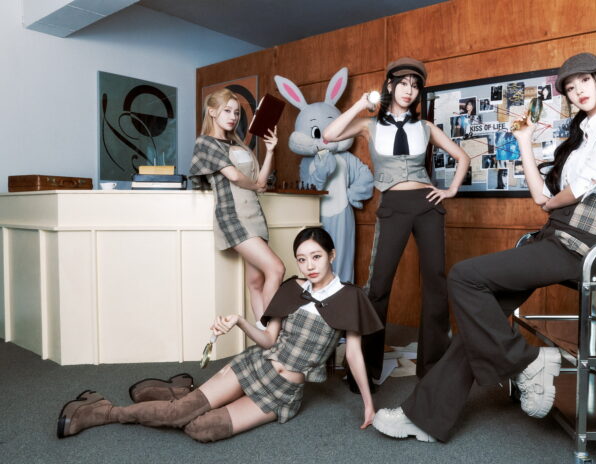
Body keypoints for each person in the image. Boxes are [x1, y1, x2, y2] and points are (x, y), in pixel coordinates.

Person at [371, 52, 596, 442]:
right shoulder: (582, 133)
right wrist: (525, 142)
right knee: (481, 327)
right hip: (554, 233)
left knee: (463, 277)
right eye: (569, 87)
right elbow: (542, 197)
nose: (577, 91)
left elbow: (584, 185)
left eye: (583, 81)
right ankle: (425, 417)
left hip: (579, 242)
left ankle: (528, 363)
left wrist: (553, 202)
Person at [56, 227, 383, 442]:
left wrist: (368, 404)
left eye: (316, 257)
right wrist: (240, 321)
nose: (309, 266)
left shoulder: (350, 297)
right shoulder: (291, 288)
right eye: (302, 259)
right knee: (180, 413)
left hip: (282, 392)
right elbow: (269, 340)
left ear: (332, 255)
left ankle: (179, 391)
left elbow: (354, 355)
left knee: (201, 428)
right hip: (257, 365)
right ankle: (102, 411)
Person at [324, 57, 471, 386]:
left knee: (435, 283)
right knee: (378, 286)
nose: (409, 90)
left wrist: (450, 190)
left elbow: (462, 157)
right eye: (403, 83)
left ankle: (433, 368)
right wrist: (360, 104)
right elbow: (329, 136)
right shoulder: (370, 125)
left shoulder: (426, 127)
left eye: (415, 86)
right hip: (393, 204)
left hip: (427, 204)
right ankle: (366, 371)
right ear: (389, 85)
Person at [189, 89, 285, 326]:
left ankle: (264, 335)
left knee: (256, 282)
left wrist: (270, 151)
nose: (233, 117)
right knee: (276, 268)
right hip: (233, 217)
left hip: (255, 216)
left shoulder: (238, 144)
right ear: (212, 112)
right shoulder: (205, 143)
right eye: (227, 111)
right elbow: (233, 176)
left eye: (237, 113)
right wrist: (256, 185)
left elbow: (260, 181)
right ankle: (272, 335)